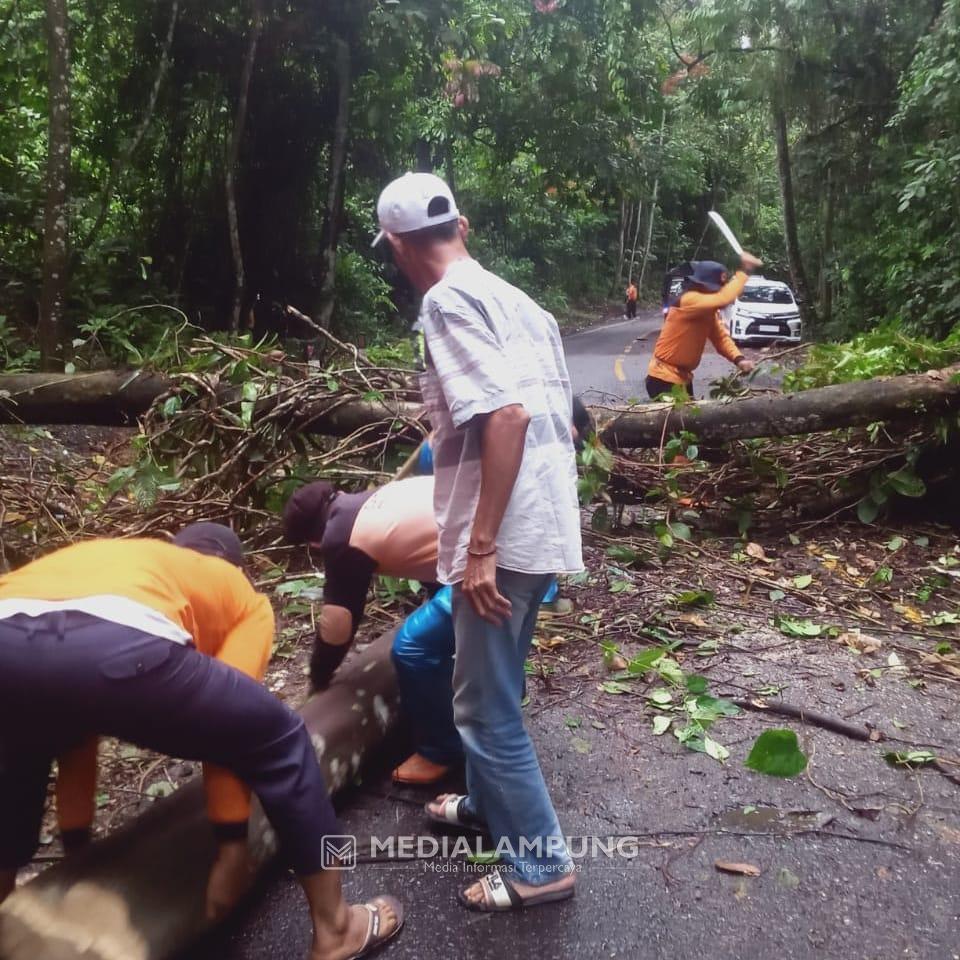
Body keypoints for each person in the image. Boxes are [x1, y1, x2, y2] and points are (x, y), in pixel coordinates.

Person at [0, 524, 402, 960]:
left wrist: (80, 855)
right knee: (282, 740)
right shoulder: (240, 595)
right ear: (234, 566)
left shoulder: (123, 558)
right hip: (120, 642)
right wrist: (232, 848)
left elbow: (75, 738)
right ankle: (336, 930)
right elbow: (231, 741)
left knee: (19, 765)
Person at [373, 171, 583, 913]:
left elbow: (508, 417)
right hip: (544, 523)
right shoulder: (523, 302)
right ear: (461, 225)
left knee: (483, 709)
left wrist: (484, 543)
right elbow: (562, 421)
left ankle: (540, 865)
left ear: (397, 246)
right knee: (495, 688)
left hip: (504, 535)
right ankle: (493, 810)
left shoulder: (445, 301)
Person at [283, 394, 592, 787]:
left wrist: (319, 676)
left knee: (410, 647)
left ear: (311, 541)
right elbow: (432, 558)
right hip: (526, 546)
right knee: (445, 630)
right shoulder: (371, 500)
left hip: (493, 559)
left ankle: (440, 750)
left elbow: (338, 625)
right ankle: (501, 698)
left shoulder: (339, 538)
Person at [646, 254, 762, 400]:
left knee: (689, 421)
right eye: (715, 289)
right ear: (701, 285)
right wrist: (745, 270)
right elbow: (724, 298)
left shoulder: (708, 312)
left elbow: (721, 339)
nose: (717, 292)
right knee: (677, 422)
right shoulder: (689, 300)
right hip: (663, 377)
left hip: (682, 377)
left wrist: (739, 359)